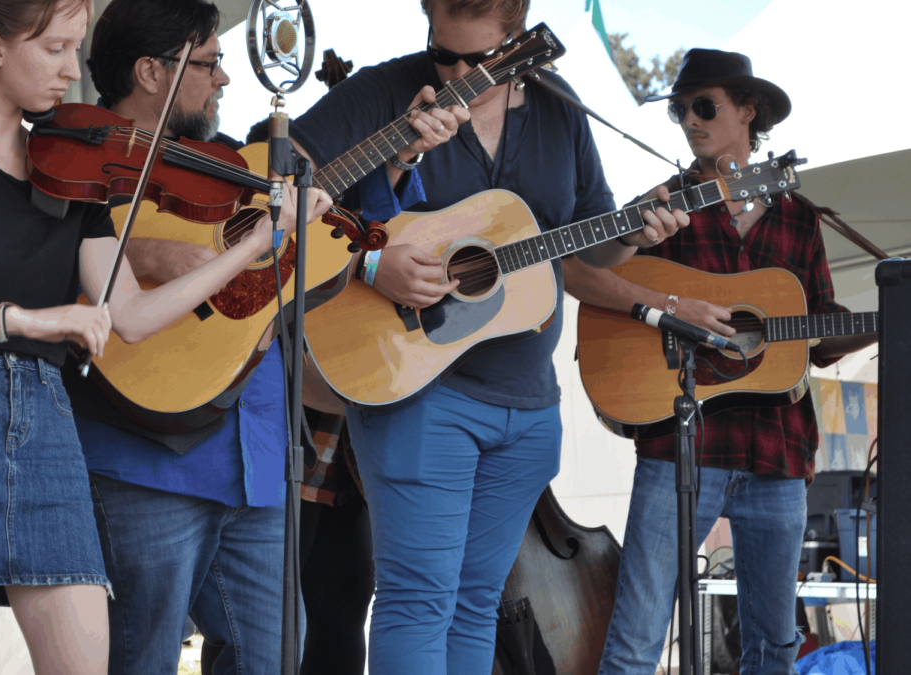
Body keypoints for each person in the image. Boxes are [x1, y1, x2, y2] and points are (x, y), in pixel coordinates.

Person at [0, 1, 331, 673]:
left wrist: (255, 243)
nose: (72, 70)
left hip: (45, 429)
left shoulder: (71, 174)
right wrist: (21, 320)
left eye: (75, 49)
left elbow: (129, 313)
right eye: (55, 50)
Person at [286, 0, 688, 672]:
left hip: (529, 402)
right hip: (417, 387)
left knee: (478, 603)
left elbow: (593, 251)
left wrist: (636, 233)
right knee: (419, 599)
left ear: (519, 46)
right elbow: (275, 192)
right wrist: (370, 262)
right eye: (440, 54)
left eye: (474, 63)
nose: (452, 76)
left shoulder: (561, 112)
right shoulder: (385, 91)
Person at [562, 48, 878, 675]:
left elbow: (813, 331)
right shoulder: (661, 207)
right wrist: (666, 299)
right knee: (636, 637)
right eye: (679, 110)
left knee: (774, 645)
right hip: (678, 444)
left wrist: (881, 325)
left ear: (748, 111)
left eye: (703, 106)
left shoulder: (799, 218)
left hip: (778, 453)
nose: (688, 120)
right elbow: (583, 271)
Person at [69, 1, 333, 672]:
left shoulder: (229, 166)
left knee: (275, 654)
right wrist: (145, 253)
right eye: (211, 63)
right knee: (142, 655)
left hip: (256, 449)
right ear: (151, 72)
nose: (223, 80)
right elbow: (32, 263)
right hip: (144, 454)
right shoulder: (69, 160)